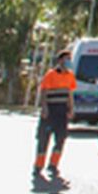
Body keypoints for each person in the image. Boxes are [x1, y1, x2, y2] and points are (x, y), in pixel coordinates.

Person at [34, 51, 75, 179]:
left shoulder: (70, 76)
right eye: (66, 59)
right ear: (60, 60)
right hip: (51, 110)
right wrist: (44, 108)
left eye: (70, 59)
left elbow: (70, 93)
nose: (68, 61)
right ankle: (38, 165)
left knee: (61, 138)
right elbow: (44, 91)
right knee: (43, 139)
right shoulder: (51, 74)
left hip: (62, 110)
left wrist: (71, 109)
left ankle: (53, 164)